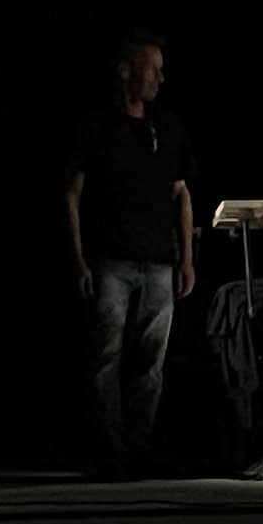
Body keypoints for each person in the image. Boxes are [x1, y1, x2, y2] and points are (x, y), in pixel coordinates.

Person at [66, 32, 196, 475]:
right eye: (151, 68)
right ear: (125, 71)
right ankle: (109, 451)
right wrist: (79, 259)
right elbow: (72, 194)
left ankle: (139, 449)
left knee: (150, 363)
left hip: (159, 260)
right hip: (111, 260)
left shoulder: (169, 128)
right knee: (105, 359)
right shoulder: (97, 126)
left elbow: (182, 194)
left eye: (161, 69)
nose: (159, 78)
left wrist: (187, 258)